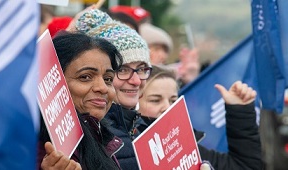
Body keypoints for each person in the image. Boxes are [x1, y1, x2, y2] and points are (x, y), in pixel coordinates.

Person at [74, 9, 214, 170]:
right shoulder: (91, 136)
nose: (135, 81)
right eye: (123, 70)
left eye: (141, 69)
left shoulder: (144, 127)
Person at [137, 65, 263, 170]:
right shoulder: (124, 152)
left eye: (173, 101)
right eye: (155, 100)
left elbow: (244, 167)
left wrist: (239, 111)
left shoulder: (186, 147)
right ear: (134, 103)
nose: (167, 107)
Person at [38, 32, 124, 170]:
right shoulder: (33, 149)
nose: (103, 88)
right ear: (54, 82)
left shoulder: (101, 135)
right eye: (85, 77)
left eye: (108, 79)